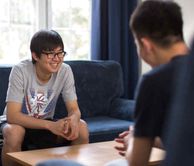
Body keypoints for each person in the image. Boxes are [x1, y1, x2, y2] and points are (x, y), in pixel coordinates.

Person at [113, 0, 189, 165]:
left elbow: (137, 162)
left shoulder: (154, 81)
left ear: (146, 45)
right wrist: (152, 139)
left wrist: (133, 139)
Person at [1, 29, 89, 166]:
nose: (57, 59)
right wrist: (51, 125)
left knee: (81, 127)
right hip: (16, 123)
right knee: (14, 132)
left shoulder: (65, 71)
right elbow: (12, 116)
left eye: (60, 53)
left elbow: (74, 109)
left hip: (43, 124)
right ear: (35, 56)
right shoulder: (20, 70)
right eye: (50, 54)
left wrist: (73, 119)